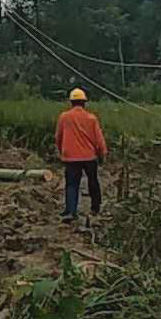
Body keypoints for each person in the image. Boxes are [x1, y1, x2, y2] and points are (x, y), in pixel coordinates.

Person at [54, 87, 107, 222]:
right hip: (89, 156)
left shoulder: (64, 117)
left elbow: (58, 137)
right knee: (93, 182)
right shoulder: (91, 118)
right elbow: (99, 139)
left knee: (72, 184)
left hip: (70, 157)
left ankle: (70, 211)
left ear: (71, 102)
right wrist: (102, 154)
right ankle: (95, 208)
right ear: (84, 102)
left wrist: (61, 152)